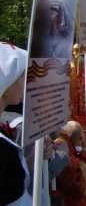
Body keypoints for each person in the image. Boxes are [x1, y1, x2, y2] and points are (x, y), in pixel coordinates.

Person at [0, 42, 33, 205]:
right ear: (7, 83)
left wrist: (29, 162)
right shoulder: (4, 149)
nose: (27, 84)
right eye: (23, 77)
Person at [51, 121, 86, 206]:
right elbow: (76, 185)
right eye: (69, 106)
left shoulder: (60, 135)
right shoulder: (59, 142)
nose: (72, 108)